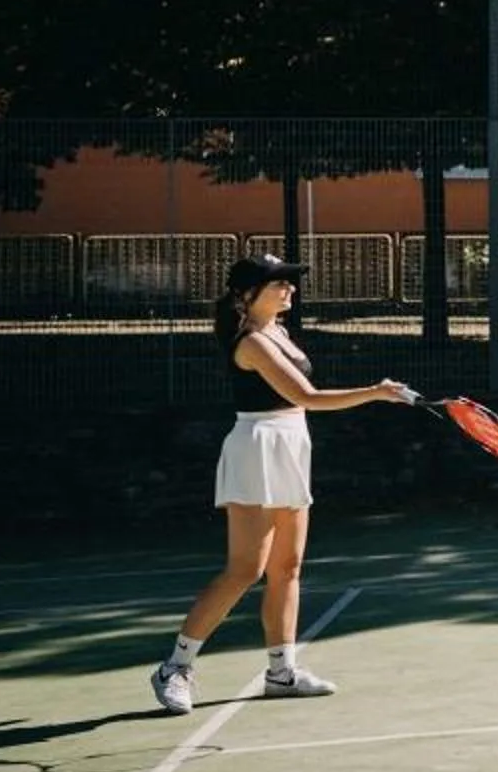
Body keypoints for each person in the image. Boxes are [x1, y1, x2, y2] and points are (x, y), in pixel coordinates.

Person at [148, 254, 412, 713]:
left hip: (291, 444)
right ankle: (175, 668)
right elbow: (306, 397)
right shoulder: (251, 342)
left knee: (287, 567)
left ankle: (281, 672)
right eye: (277, 283)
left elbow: (299, 406)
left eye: (289, 282)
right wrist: (375, 392)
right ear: (245, 295)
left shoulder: (279, 333)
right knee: (244, 570)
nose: (289, 288)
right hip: (258, 447)